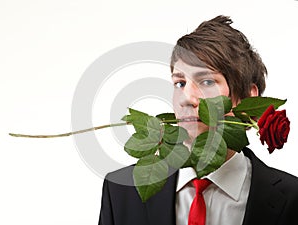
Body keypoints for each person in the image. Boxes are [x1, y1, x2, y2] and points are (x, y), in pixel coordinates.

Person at [98, 15, 298, 225]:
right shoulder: (121, 193)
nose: (187, 98)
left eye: (207, 81)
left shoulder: (292, 201)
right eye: (180, 83)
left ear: (247, 98)